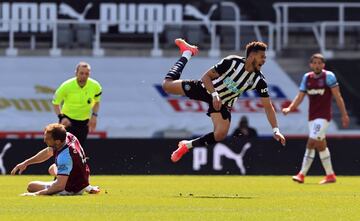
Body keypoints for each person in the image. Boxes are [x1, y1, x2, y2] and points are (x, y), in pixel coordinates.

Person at [162, 38, 286, 163]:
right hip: (206, 88)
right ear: (252, 56)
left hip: (224, 103)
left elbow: (268, 107)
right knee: (167, 86)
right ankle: (187, 52)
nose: (264, 60)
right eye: (262, 57)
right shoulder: (232, 62)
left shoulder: (259, 80)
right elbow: (206, 77)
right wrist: (215, 94)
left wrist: (276, 130)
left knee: (220, 134)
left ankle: (186, 146)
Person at [282, 53, 349, 184]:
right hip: (312, 117)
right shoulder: (307, 77)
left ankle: (301, 174)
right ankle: (330, 175)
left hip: (323, 117)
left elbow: (337, 96)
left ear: (323, 65)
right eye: (315, 63)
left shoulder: (328, 76)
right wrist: (290, 108)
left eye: (320, 63)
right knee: (320, 145)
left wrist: (344, 114)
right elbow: (300, 96)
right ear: (311, 64)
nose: (317, 65)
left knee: (311, 142)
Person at [11, 123, 100, 196]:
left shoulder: (65, 156)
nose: (44, 141)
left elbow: (59, 187)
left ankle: (79, 189)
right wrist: (26, 163)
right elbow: (48, 152)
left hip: (71, 188)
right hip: (82, 177)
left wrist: (35, 194)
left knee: (31, 186)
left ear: (57, 141)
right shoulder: (68, 136)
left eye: (47, 139)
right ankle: (86, 186)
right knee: (52, 168)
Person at [52, 61, 102, 147]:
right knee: (64, 148)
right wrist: (61, 117)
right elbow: (55, 103)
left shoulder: (95, 86)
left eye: (87, 74)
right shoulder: (66, 86)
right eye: (81, 73)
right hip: (67, 121)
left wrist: (94, 116)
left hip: (84, 123)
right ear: (76, 73)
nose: (84, 76)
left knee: (78, 150)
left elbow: (97, 102)